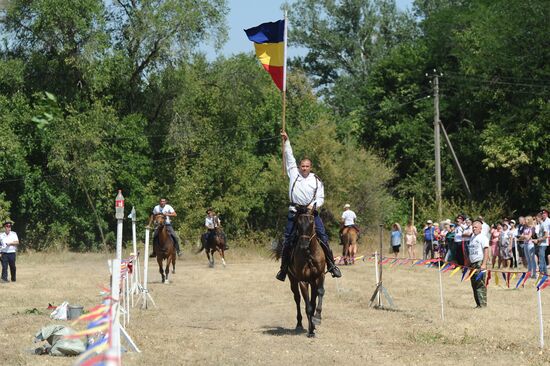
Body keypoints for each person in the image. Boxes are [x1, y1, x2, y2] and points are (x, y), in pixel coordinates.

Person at [276, 131, 341, 281]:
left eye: (307, 166)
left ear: (310, 167)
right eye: (302, 166)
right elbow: (289, 156)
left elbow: (321, 197)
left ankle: (331, 265)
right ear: (299, 166)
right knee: (288, 240)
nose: (304, 168)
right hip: (295, 212)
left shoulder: (316, 180)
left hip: (311, 213)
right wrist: (287, 141)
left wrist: (313, 206)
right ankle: (284, 269)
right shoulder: (293, 173)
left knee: (323, 237)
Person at [466, 220, 489, 308]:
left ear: (480, 229)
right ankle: (478, 304)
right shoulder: (472, 238)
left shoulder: (482, 237)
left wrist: (483, 264)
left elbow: (486, 251)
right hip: (472, 264)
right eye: (473, 227)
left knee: (480, 284)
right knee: (474, 285)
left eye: (475, 227)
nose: (474, 229)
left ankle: (483, 305)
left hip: (479, 263)